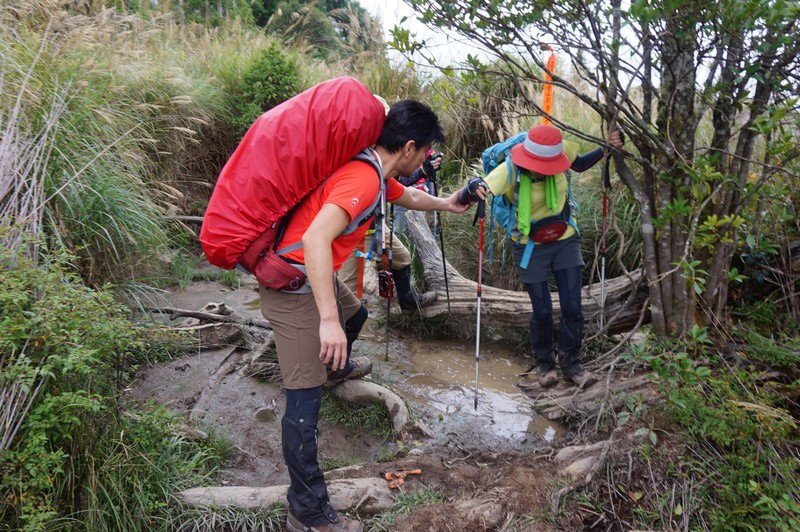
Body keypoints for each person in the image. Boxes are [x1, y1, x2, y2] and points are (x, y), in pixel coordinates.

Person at [260, 99, 477, 532]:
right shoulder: (362, 177)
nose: (424, 160)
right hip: (295, 283)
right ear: (410, 146)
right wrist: (325, 322)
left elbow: (411, 194)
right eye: (425, 152)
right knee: (303, 405)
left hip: (306, 274)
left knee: (355, 316)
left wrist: (449, 203)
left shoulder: (376, 173)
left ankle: (333, 369)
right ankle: (307, 511)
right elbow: (316, 239)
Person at [483, 125, 623, 389]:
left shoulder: (564, 151)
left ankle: (572, 365)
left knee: (573, 306)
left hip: (564, 237)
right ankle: (545, 364)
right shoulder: (511, 169)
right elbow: (484, 187)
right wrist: (471, 191)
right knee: (543, 310)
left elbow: (579, 164)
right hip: (528, 245)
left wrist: (607, 147)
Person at [339, 152, 443, 309]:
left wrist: (424, 171)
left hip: (377, 225)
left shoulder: (384, 161)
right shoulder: (363, 161)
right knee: (349, 287)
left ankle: (407, 302)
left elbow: (401, 185)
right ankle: (344, 324)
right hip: (353, 230)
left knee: (402, 257)